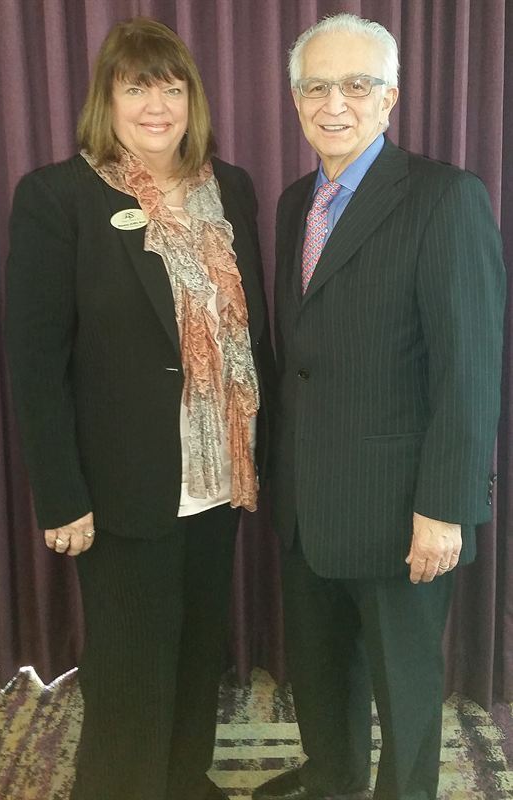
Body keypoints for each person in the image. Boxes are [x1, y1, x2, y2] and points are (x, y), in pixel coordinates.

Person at [5, 17, 274, 800]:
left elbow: (252, 335)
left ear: (193, 99)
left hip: (218, 476)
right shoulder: (59, 196)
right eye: (135, 88)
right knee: (130, 673)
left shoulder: (232, 188)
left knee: (195, 654)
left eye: (171, 87)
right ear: (107, 100)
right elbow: (35, 364)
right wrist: (62, 495)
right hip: (121, 487)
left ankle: (184, 783)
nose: (156, 106)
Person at [254, 12, 505, 800]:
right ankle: (331, 781)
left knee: (404, 693)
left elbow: (469, 370)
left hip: (402, 513)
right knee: (320, 675)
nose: (335, 104)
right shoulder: (295, 202)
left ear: (390, 97)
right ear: (296, 100)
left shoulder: (444, 197)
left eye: (357, 85)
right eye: (316, 87)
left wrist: (446, 507)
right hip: (307, 505)